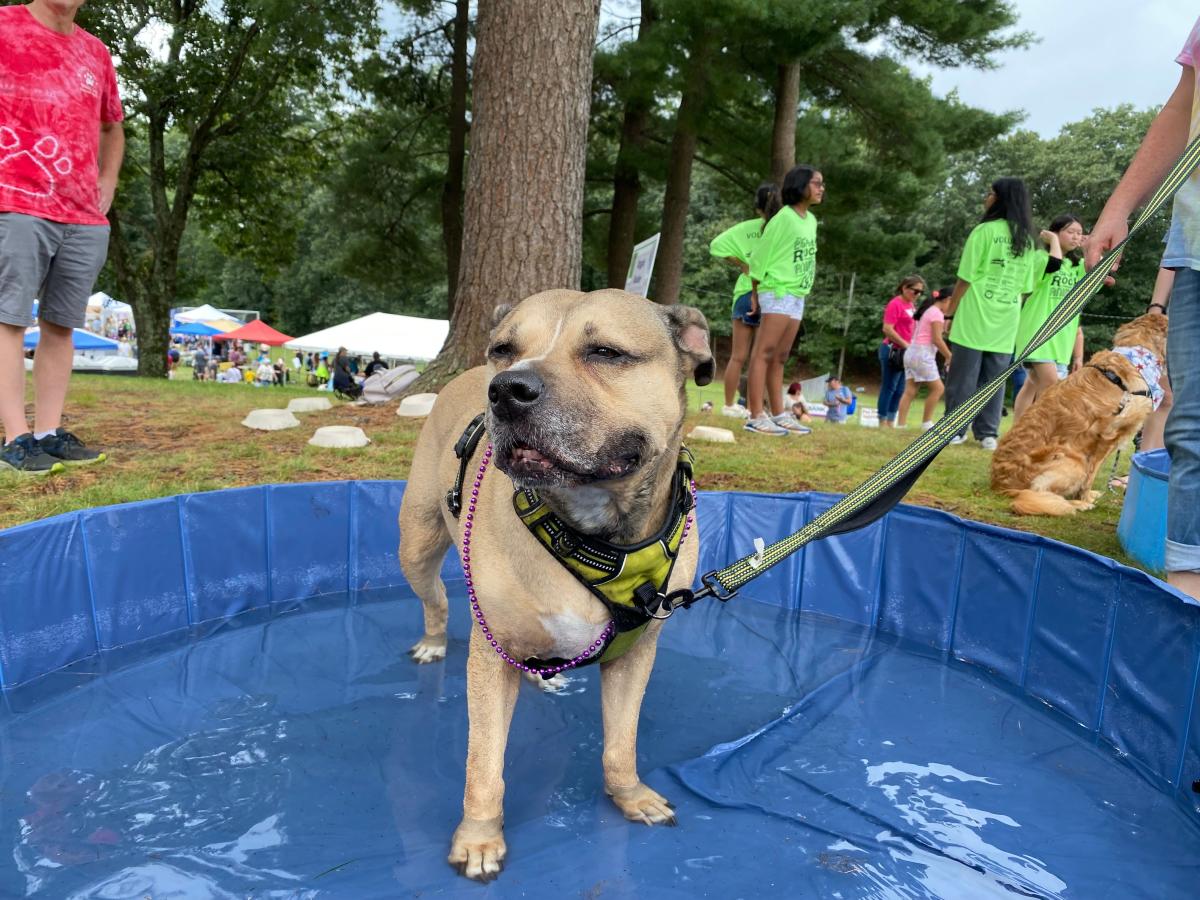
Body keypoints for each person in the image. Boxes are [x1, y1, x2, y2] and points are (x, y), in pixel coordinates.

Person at [1087, 14, 1200, 601]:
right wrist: (1118, 207)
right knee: (1192, 426)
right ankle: (1187, 601)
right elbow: (1182, 107)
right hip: (1197, 249)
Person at [0, 0, 124, 473]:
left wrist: (107, 179)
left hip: (81, 212)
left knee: (61, 324)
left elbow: (113, 125)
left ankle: (49, 434)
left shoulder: (96, 52)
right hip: (16, 200)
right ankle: (15, 439)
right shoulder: (5, 25)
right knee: (8, 318)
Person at [943, 177, 1039, 450]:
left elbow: (965, 279)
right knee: (994, 380)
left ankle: (955, 430)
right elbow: (1025, 289)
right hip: (1006, 318)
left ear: (1000, 199)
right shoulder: (1028, 240)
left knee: (963, 377)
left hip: (974, 314)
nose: (986, 198)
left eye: (990, 194)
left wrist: (950, 315)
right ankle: (988, 434)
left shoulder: (984, 231)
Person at [745, 164, 824, 436]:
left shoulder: (811, 221)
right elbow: (760, 257)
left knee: (780, 356)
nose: (821, 188)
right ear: (800, 185)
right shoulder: (783, 218)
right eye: (816, 183)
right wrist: (755, 292)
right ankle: (755, 414)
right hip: (776, 289)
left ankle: (779, 414)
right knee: (763, 353)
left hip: (797, 293)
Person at [709, 183, 777, 419]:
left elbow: (716, 245)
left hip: (744, 292)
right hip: (770, 293)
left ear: (757, 206)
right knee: (762, 356)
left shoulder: (747, 229)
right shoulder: (780, 228)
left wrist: (741, 264)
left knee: (739, 355)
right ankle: (753, 408)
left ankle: (730, 405)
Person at [1011, 215, 1087, 420]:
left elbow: (1092, 280)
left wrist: (1089, 248)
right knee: (1051, 387)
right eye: (1070, 232)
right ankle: (1040, 436)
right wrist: (1053, 242)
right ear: (1056, 232)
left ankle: (1018, 434)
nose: (1075, 237)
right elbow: (1053, 265)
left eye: (1079, 233)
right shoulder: (1040, 258)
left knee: (1031, 384)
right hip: (1038, 333)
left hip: (1061, 339)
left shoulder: (1077, 265)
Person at [896, 289, 953, 430]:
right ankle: (926, 423)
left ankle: (901, 424)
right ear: (948, 299)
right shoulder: (937, 314)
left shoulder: (929, 311)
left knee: (910, 390)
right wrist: (949, 356)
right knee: (938, 389)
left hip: (911, 352)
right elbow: (937, 339)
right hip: (923, 354)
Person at [878, 276, 925, 428]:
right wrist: (905, 344)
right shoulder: (895, 304)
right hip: (893, 350)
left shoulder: (911, 305)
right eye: (915, 291)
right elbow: (887, 328)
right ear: (905, 288)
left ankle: (891, 421)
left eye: (920, 292)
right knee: (889, 386)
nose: (917, 294)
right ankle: (882, 420)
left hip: (906, 352)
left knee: (900, 389)